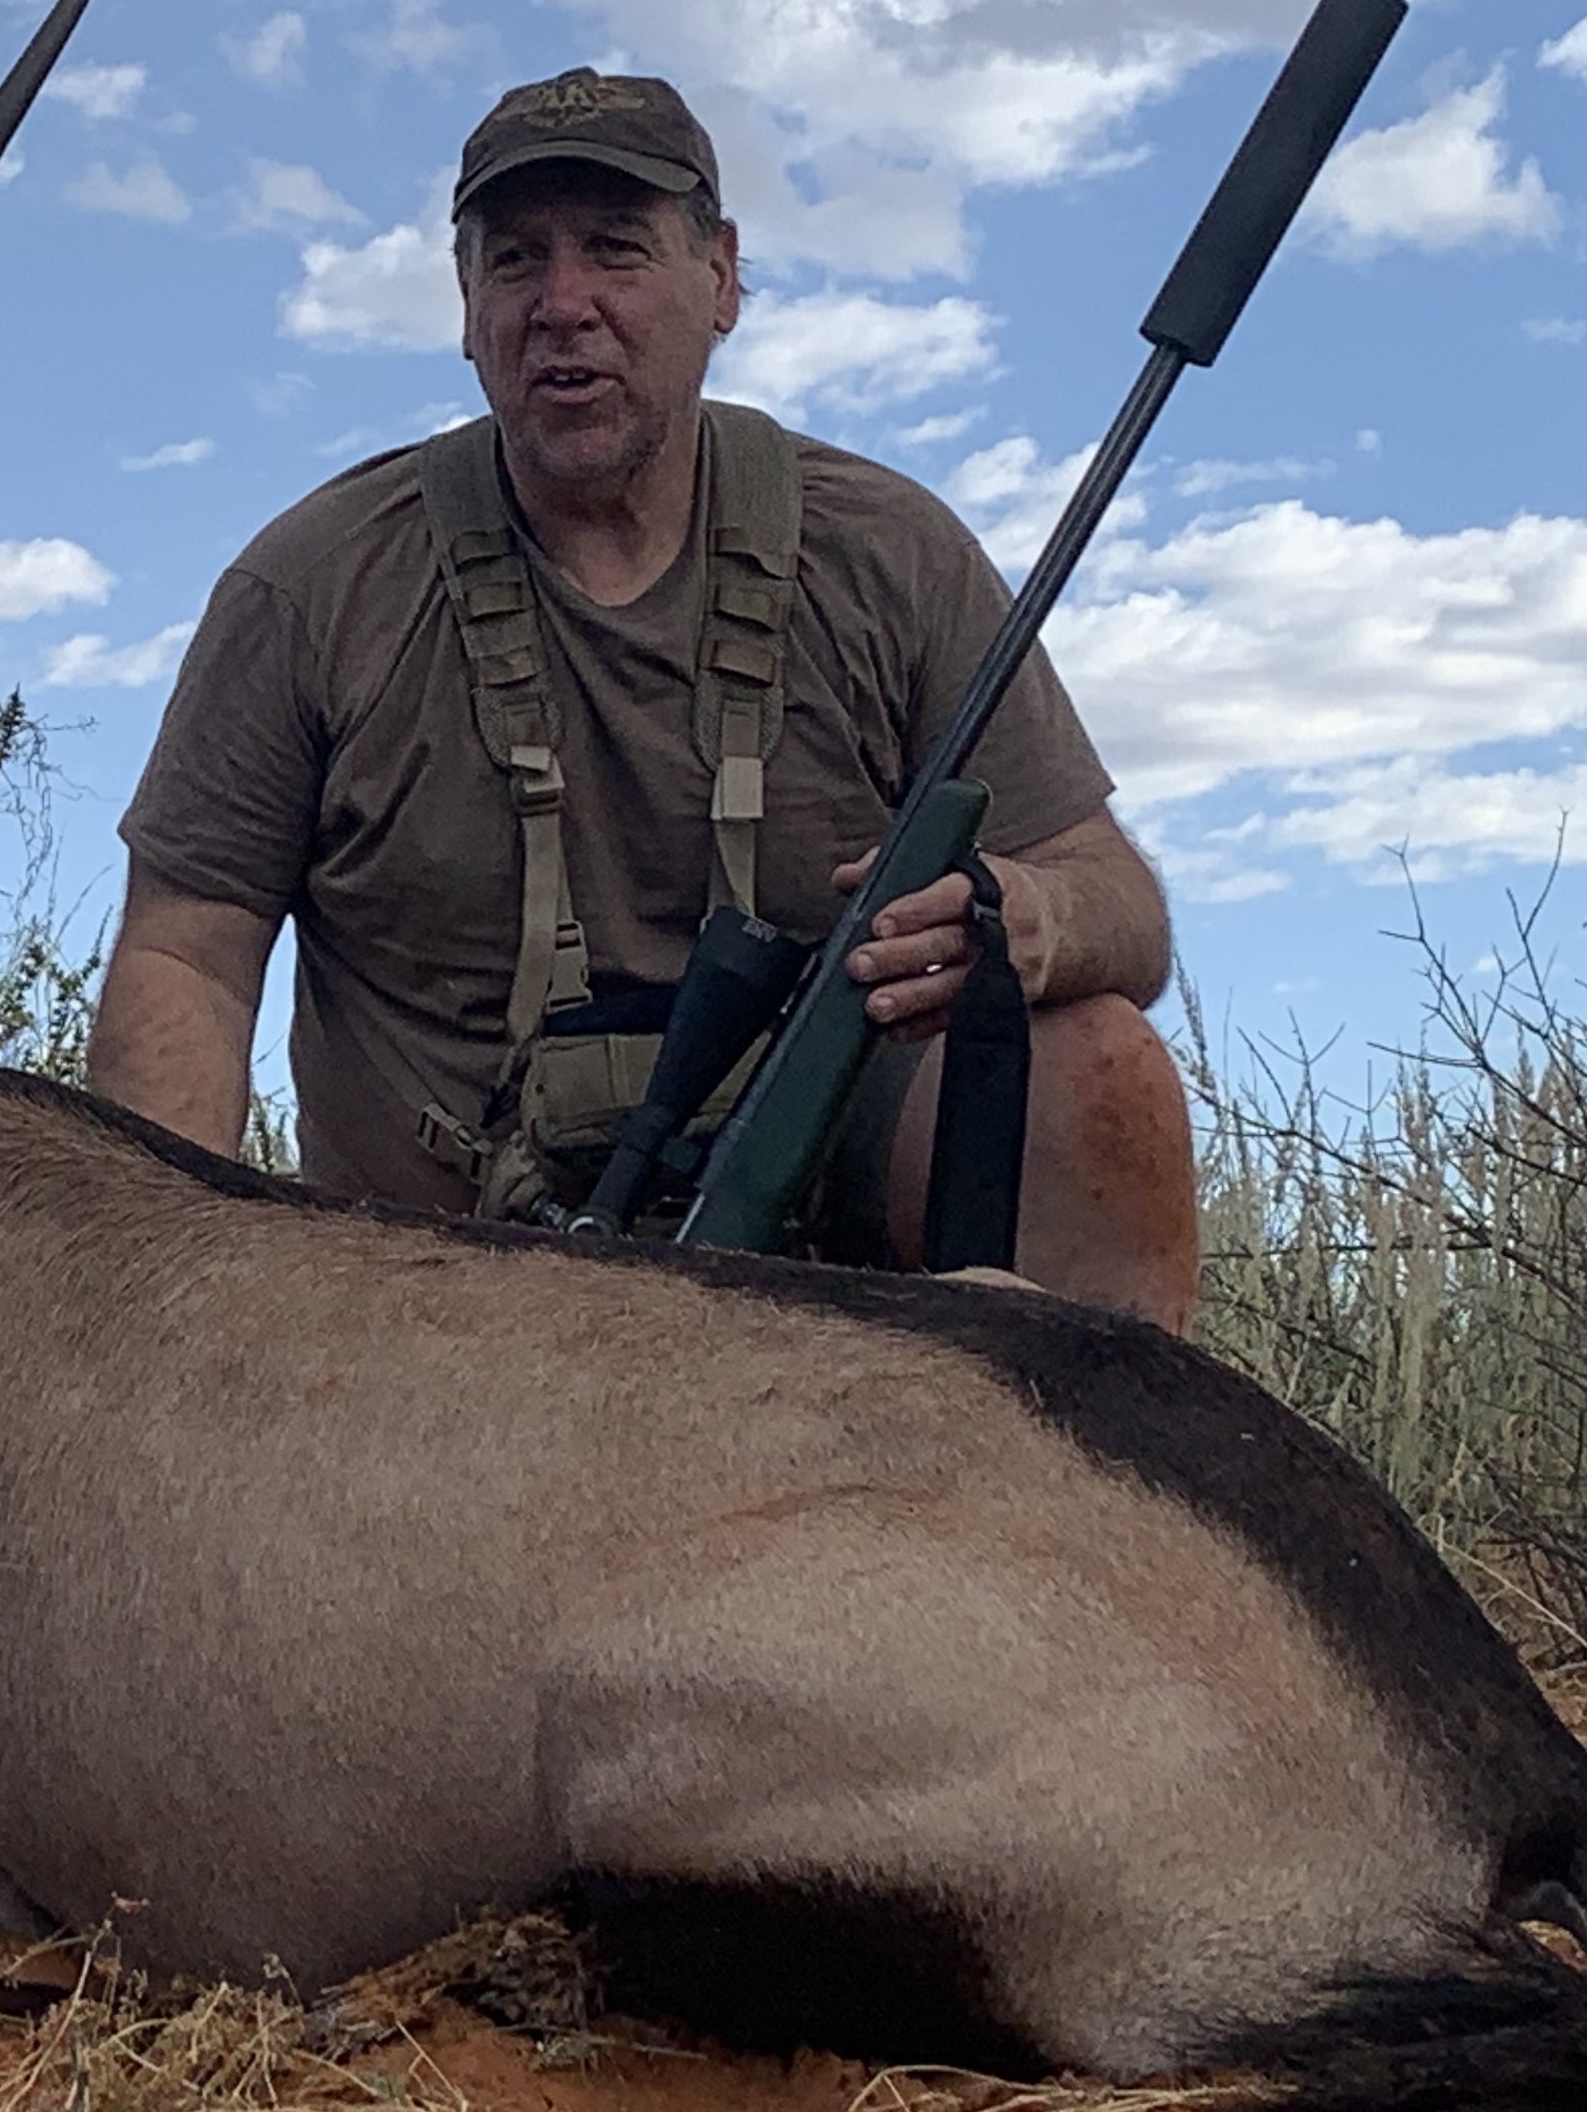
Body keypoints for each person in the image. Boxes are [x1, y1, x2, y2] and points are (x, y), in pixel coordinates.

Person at [89, 66, 1201, 1329]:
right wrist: (161, 1307)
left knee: (1098, 1064)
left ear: (721, 278)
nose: (563, 306)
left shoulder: (889, 551)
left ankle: (1080, 1507)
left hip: (841, 1281)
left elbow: (1118, 900)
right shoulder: (314, 584)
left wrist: (1032, 918)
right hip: (420, 1291)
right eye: (515, 262)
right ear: (466, 307)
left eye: (615, 252)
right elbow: (187, 953)